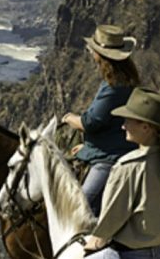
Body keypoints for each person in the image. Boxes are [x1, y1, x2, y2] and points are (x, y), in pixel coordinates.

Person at [84, 87, 160, 258]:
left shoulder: (128, 166)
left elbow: (112, 217)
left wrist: (95, 241)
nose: (123, 126)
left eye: (128, 121)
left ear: (145, 127)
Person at [61, 24, 140, 216]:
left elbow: (91, 122)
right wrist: (88, 149)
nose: (90, 53)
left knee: (82, 207)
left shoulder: (113, 87)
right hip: (111, 148)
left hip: (111, 158)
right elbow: (110, 125)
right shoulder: (123, 79)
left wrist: (70, 119)